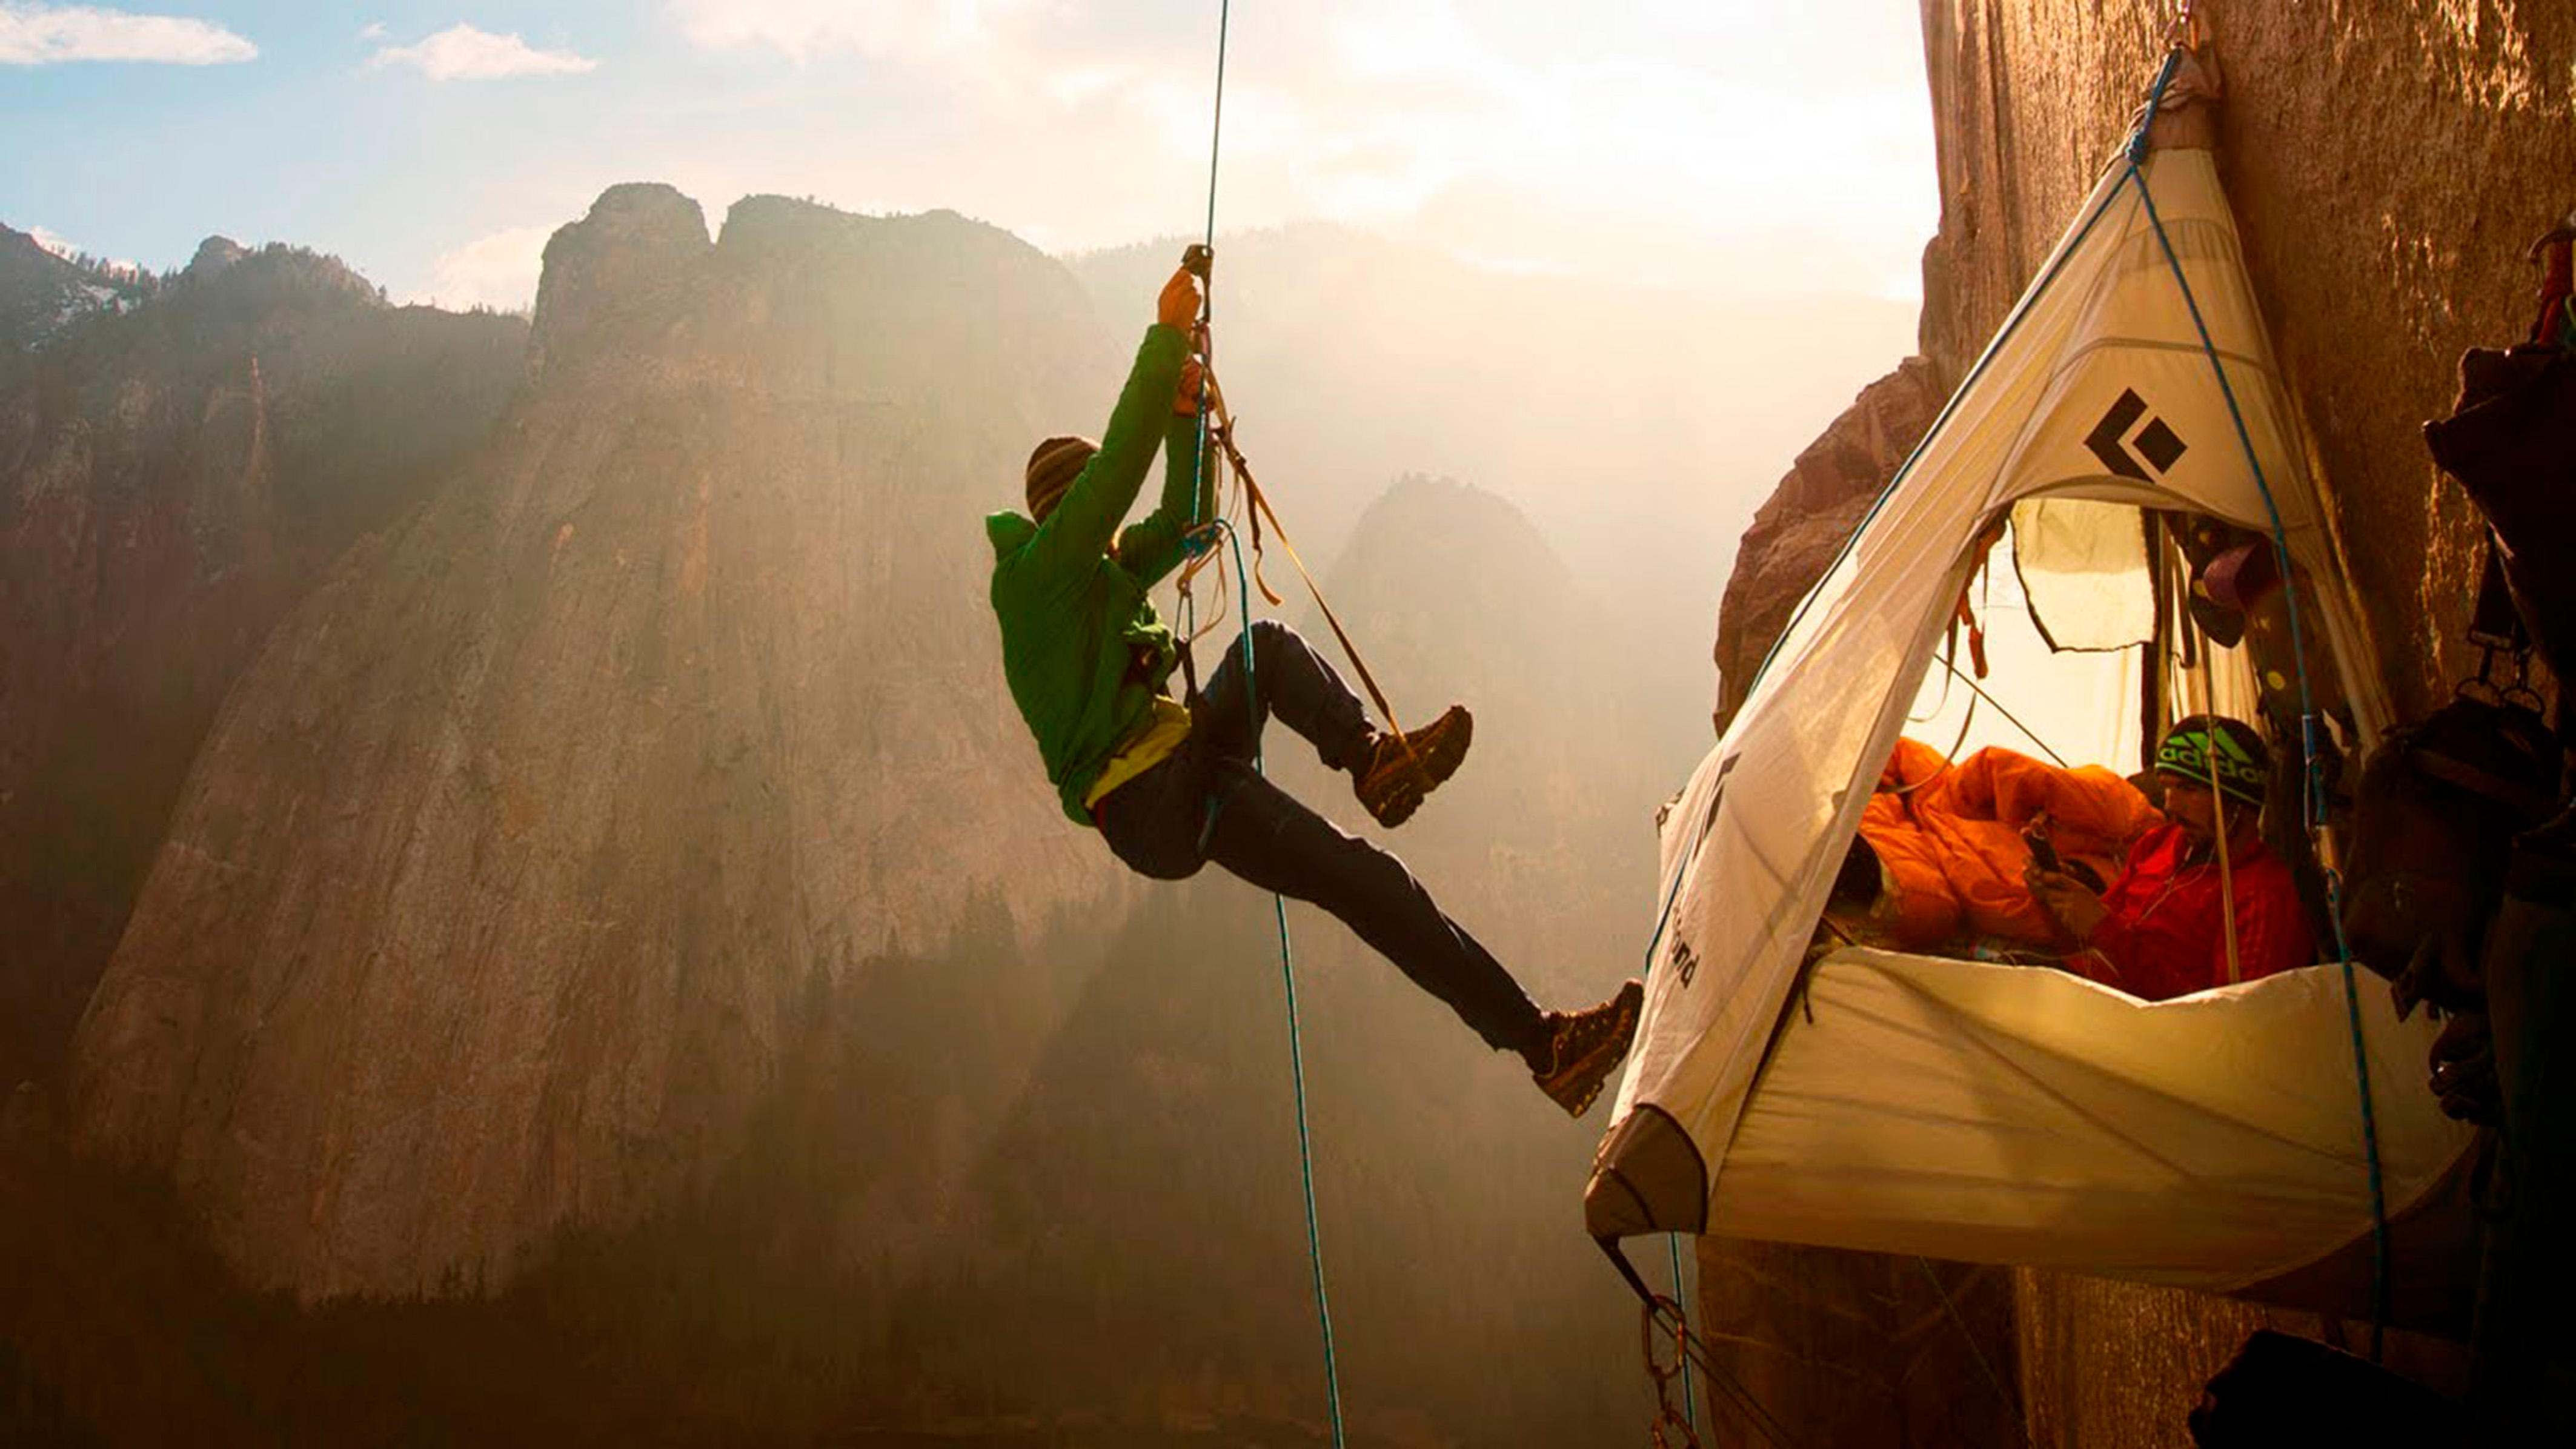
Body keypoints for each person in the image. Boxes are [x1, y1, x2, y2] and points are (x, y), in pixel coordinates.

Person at [984, 259, 1642, 1116]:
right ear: (1061, 519)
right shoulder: (1038, 586)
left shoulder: (1099, 576)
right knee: (1365, 881)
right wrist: (1165, 339)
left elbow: (1185, 524)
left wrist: (1187, 417)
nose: (1109, 541)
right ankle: (1542, 1042)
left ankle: (1371, 761)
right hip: (1154, 804)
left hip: (1179, 778)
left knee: (1269, 652)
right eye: (1090, 523)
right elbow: (1113, 483)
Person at [2025, 715, 2317, 1000]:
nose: (2170, 805)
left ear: (2240, 801)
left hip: (2146, 1031)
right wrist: (2054, 903)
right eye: (2166, 787)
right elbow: (2087, 943)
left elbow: (2228, 1020)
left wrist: (2103, 927)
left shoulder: (2264, 895)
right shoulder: (2158, 844)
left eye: (2188, 790)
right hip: (2089, 991)